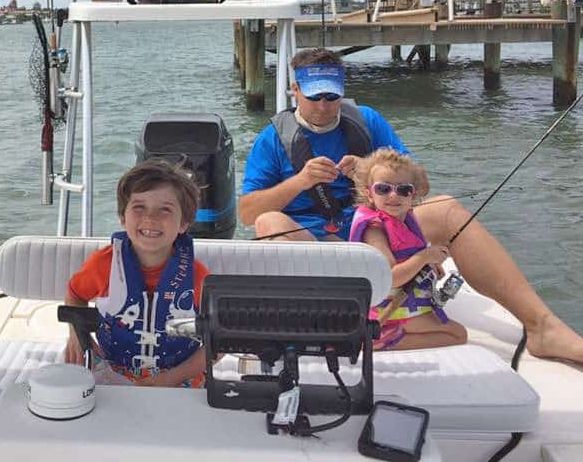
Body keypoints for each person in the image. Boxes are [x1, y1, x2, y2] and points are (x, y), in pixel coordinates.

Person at [239, 47, 583, 365]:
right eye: (315, 96)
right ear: (295, 91)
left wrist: (367, 168)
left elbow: (419, 184)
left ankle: (543, 328)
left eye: (332, 95)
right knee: (269, 221)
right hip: (314, 245)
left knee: (447, 207)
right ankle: (324, 326)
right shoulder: (272, 138)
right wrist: (299, 181)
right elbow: (247, 214)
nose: (325, 105)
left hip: (373, 228)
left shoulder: (366, 120)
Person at [64, 158, 209, 387]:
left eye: (165, 209)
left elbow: (218, 345)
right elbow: (75, 293)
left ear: (184, 224)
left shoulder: (198, 278)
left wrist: (172, 378)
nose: (150, 218)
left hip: (180, 379)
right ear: (123, 217)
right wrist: (75, 334)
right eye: (139, 207)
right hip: (112, 374)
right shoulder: (103, 265)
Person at [350, 148, 467, 351]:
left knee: (455, 331)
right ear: (369, 193)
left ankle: (389, 334)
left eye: (404, 190)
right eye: (383, 189)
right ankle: (386, 340)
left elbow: (407, 255)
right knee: (457, 334)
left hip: (403, 301)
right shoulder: (374, 230)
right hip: (386, 310)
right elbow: (390, 278)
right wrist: (424, 257)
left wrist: (428, 266)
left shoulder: (404, 220)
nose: (394, 195)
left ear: (414, 195)